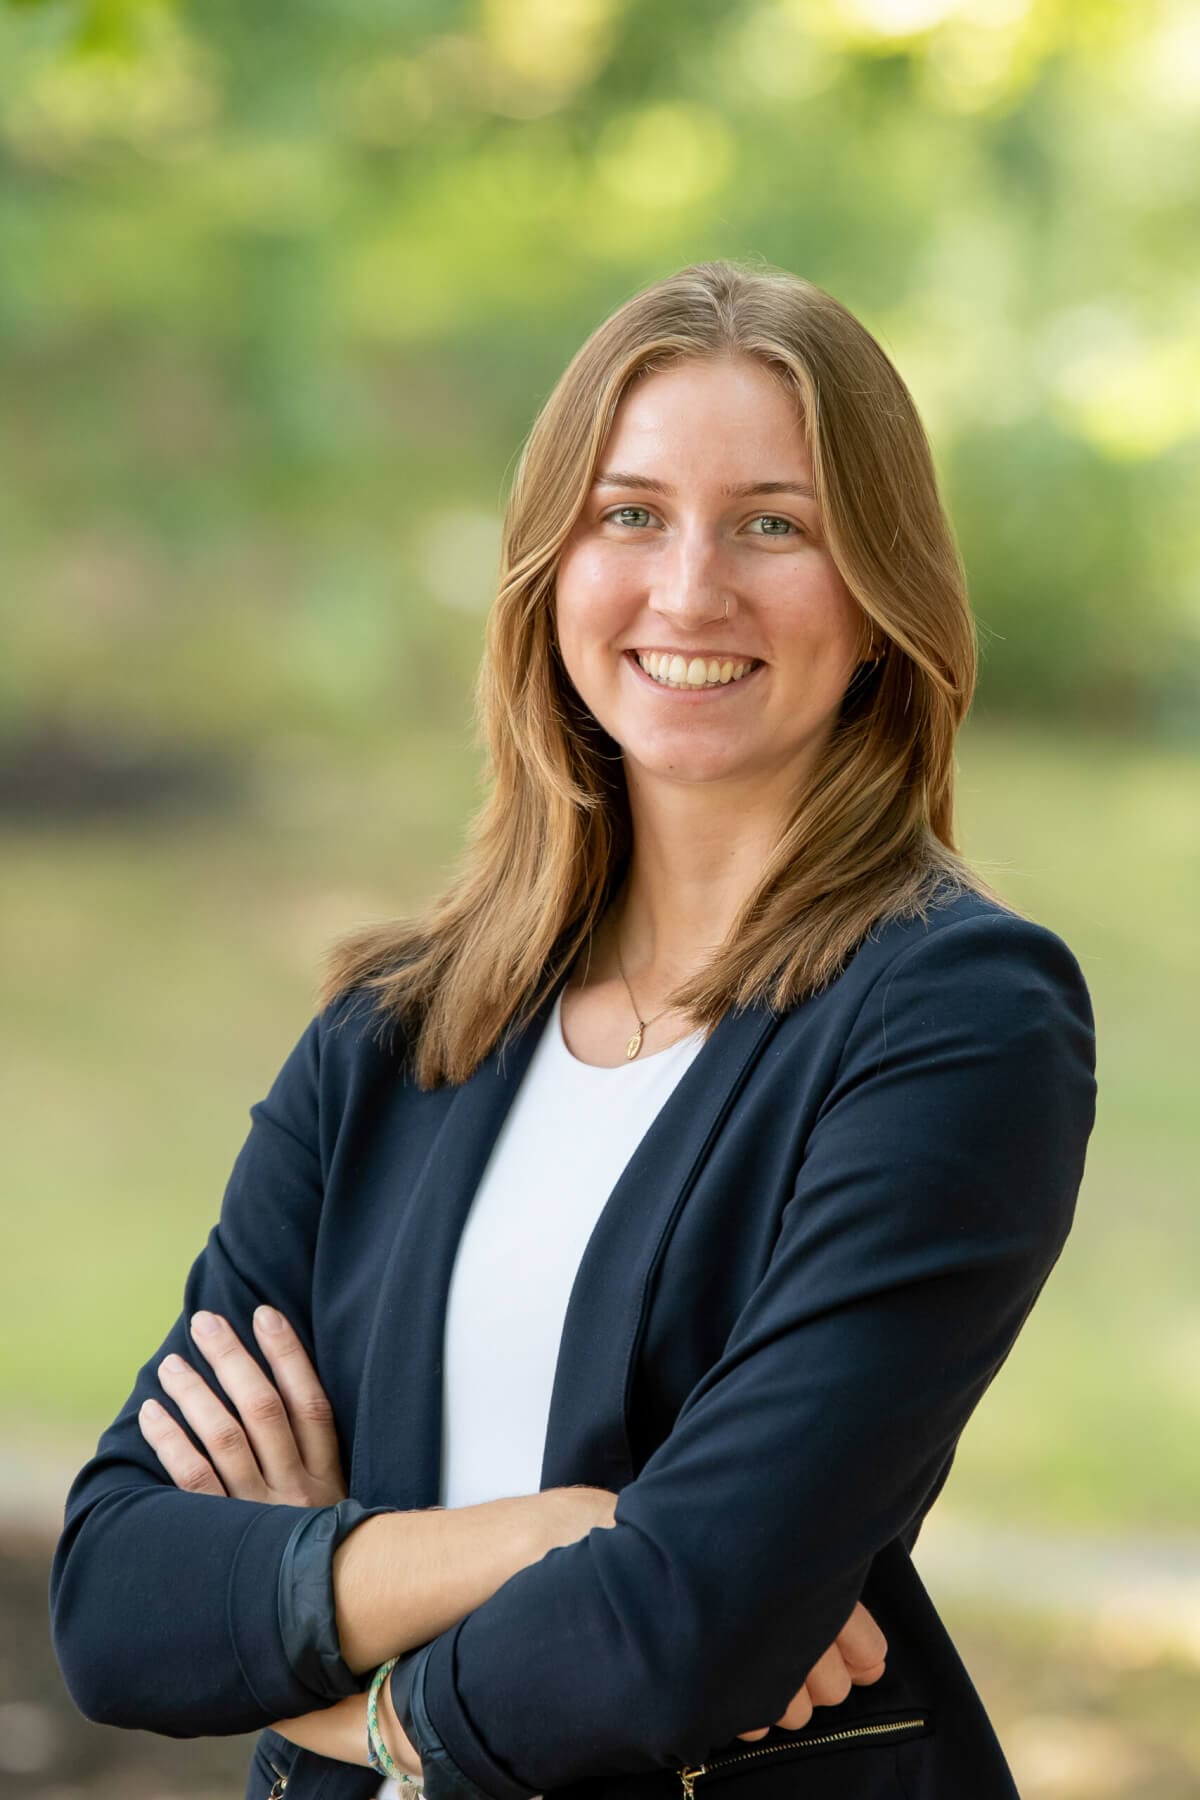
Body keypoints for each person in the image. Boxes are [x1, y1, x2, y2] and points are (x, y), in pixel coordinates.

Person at [49, 258, 1097, 1800]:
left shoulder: (957, 1018)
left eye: (775, 523)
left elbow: (678, 1631)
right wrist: (554, 1532)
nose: (690, 590)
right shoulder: (394, 1032)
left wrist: (337, 1659)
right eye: (630, 514)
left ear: (881, 598)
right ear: (549, 571)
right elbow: (119, 1602)